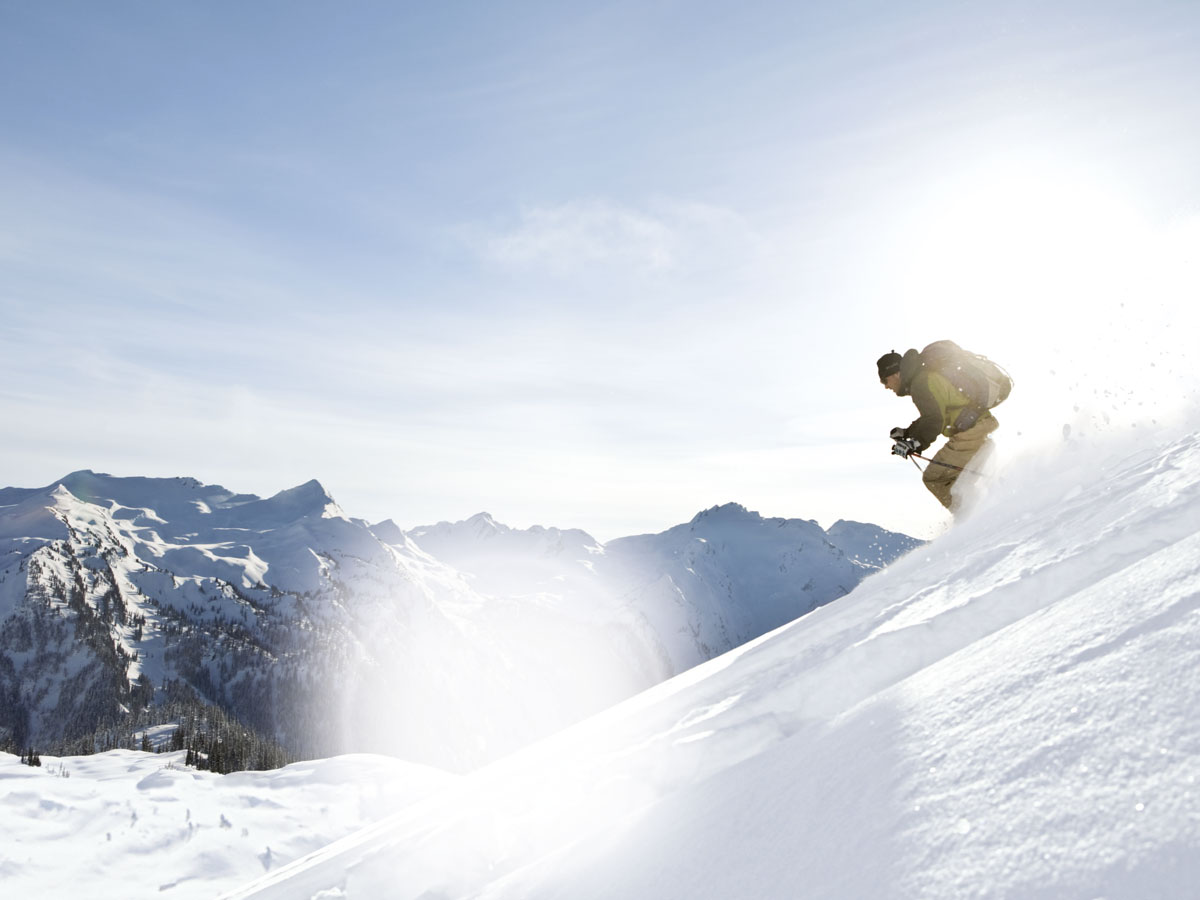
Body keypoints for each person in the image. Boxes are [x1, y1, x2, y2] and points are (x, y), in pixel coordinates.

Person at [877, 347, 999, 511]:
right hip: (978, 427)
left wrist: (914, 444)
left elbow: (934, 420)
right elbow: (932, 415)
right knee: (958, 479)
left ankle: (969, 517)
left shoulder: (920, 383)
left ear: (895, 374)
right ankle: (983, 506)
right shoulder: (923, 376)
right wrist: (908, 433)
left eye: (884, 381)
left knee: (933, 477)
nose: (885, 386)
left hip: (971, 433)